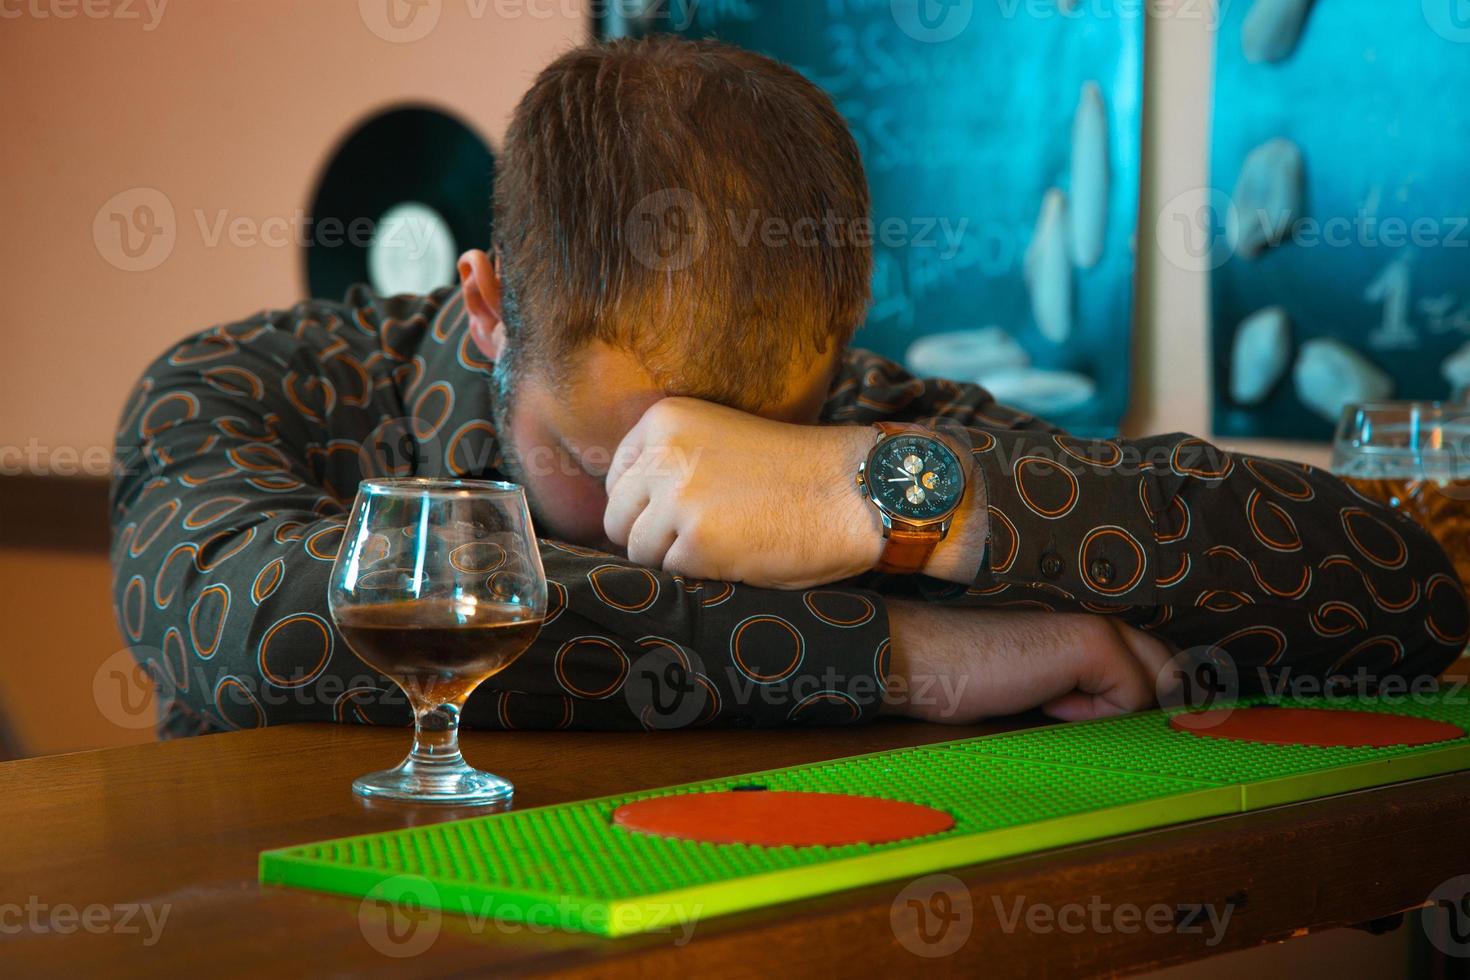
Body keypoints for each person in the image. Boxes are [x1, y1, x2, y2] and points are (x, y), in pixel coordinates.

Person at [110, 37, 1468, 739]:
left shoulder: (859, 421)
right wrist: (908, 661)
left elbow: (1397, 593)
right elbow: (255, 631)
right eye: (602, 463)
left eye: (747, 452)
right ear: (486, 309)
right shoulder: (248, 393)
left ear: (840, 334)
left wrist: (886, 494)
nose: (668, 510)